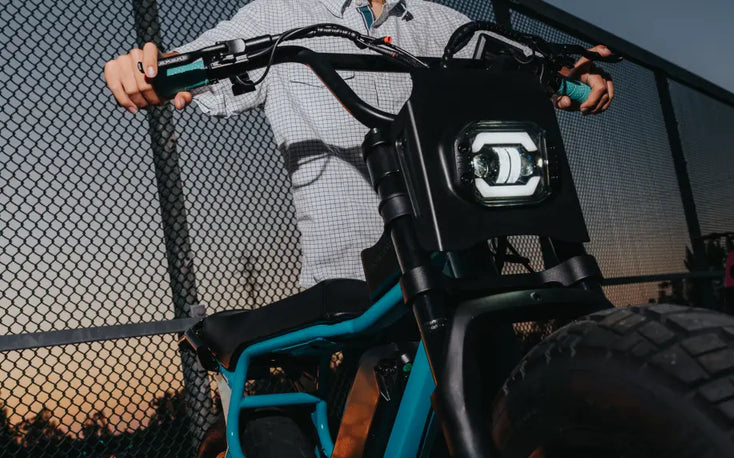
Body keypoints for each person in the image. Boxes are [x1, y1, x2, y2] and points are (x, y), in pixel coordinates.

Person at [104, 0, 614, 289]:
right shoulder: (273, 16)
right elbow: (197, 61)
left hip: (458, 270)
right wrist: (144, 68)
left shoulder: (442, 24)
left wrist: (572, 77)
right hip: (349, 284)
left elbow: (531, 62)